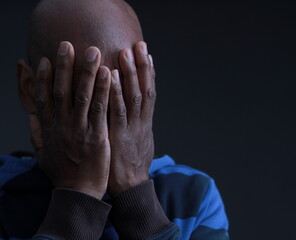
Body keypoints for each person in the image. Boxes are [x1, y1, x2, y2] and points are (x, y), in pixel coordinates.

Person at [0, 0, 229, 239]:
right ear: (29, 88)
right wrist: (78, 195)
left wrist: (135, 195)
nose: (108, 110)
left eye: (126, 87)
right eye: (83, 94)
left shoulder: (191, 197)